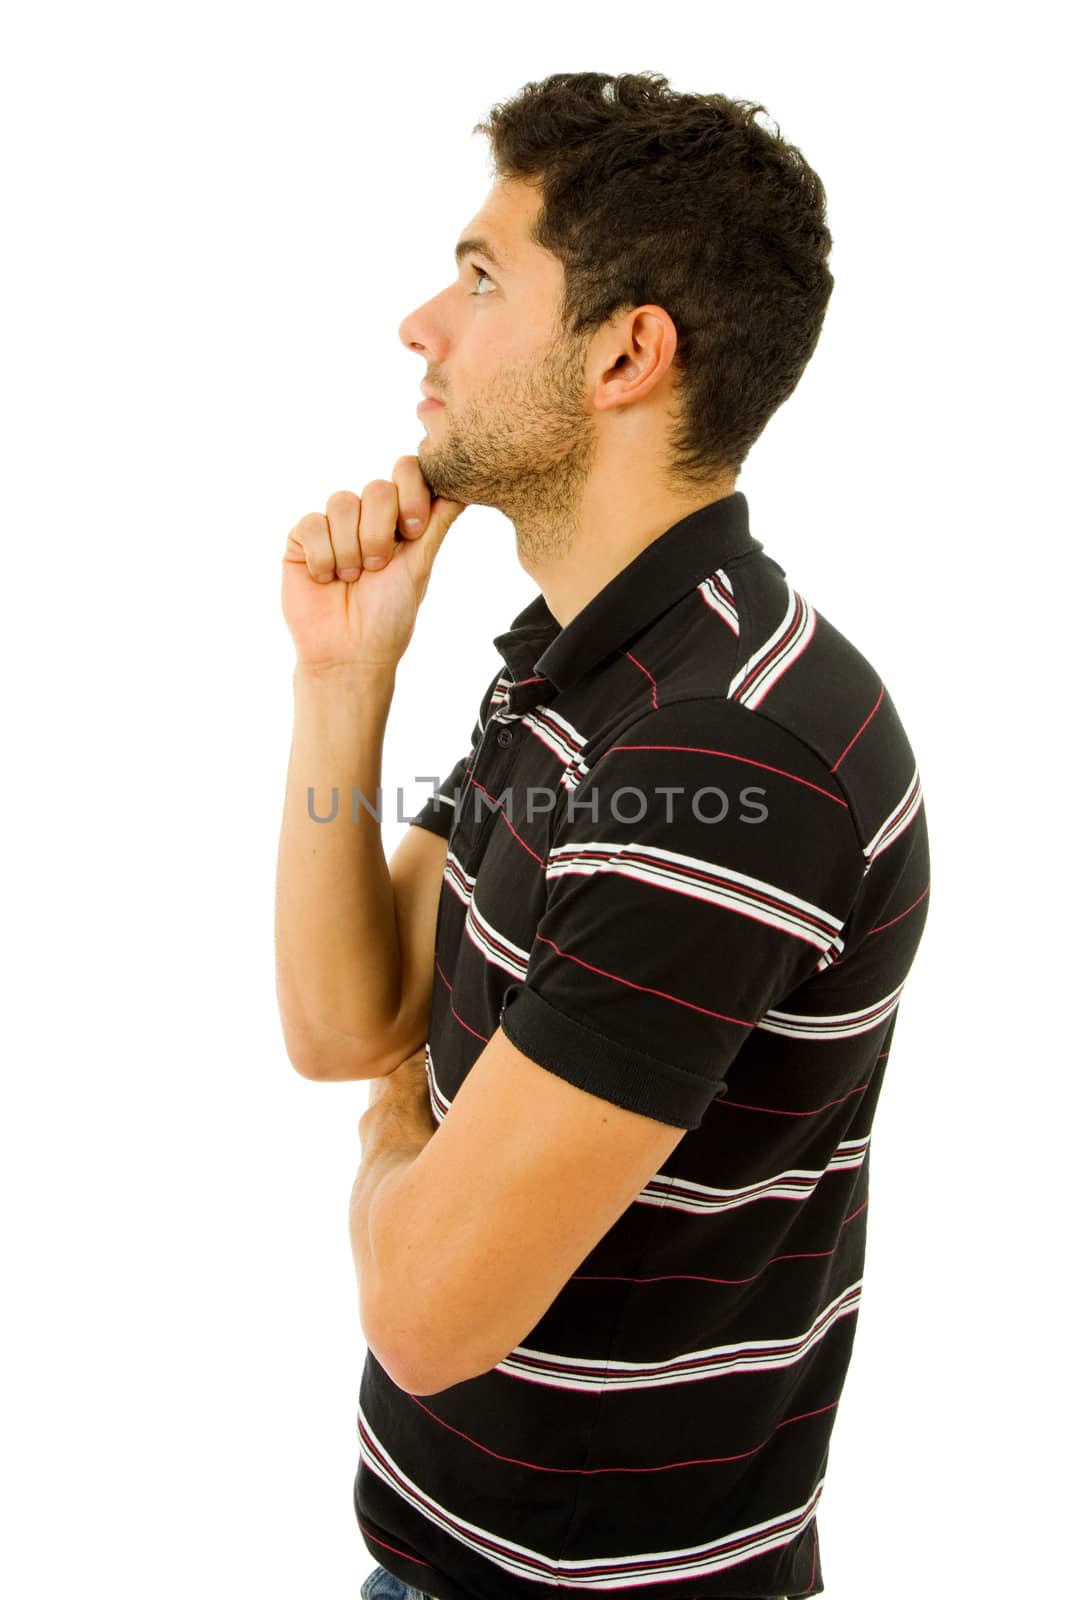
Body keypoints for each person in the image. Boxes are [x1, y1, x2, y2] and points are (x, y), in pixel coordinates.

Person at [275, 71, 931, 1600]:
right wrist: (342, 678)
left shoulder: (727, 754)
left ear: (627, 354)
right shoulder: (590, 664)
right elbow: (345, 1019)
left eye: (483, 276)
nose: (421, 327)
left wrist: (397, 1134)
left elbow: (427, 1308)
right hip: (449, 1556)